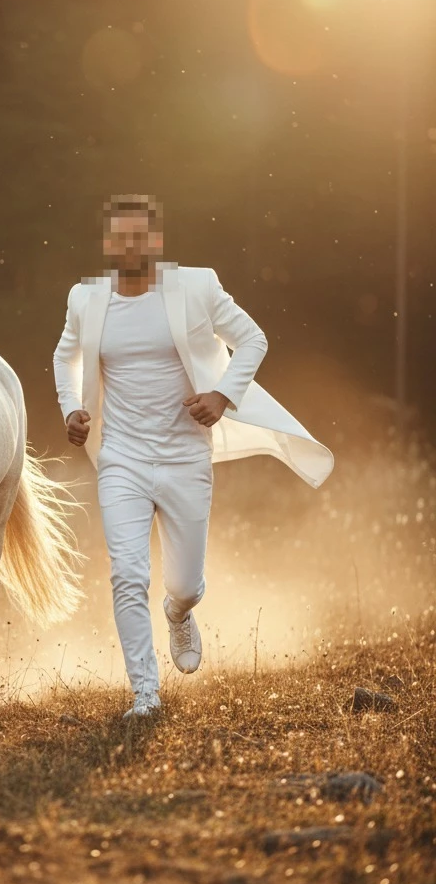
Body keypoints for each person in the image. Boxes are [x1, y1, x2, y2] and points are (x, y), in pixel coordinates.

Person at [52, 192, 333, 719]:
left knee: (182, 584)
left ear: (155, 241)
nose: (131, 244)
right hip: (122, 459)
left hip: (185, 458)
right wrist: (73, 407)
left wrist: (222, 396)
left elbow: (253, 339)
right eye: (121, 235)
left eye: (141, 235)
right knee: (127, 574)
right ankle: (145, 695)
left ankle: (179, 612)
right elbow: (64, 354)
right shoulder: (85, 299)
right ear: (108, 242)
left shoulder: (196, 287)